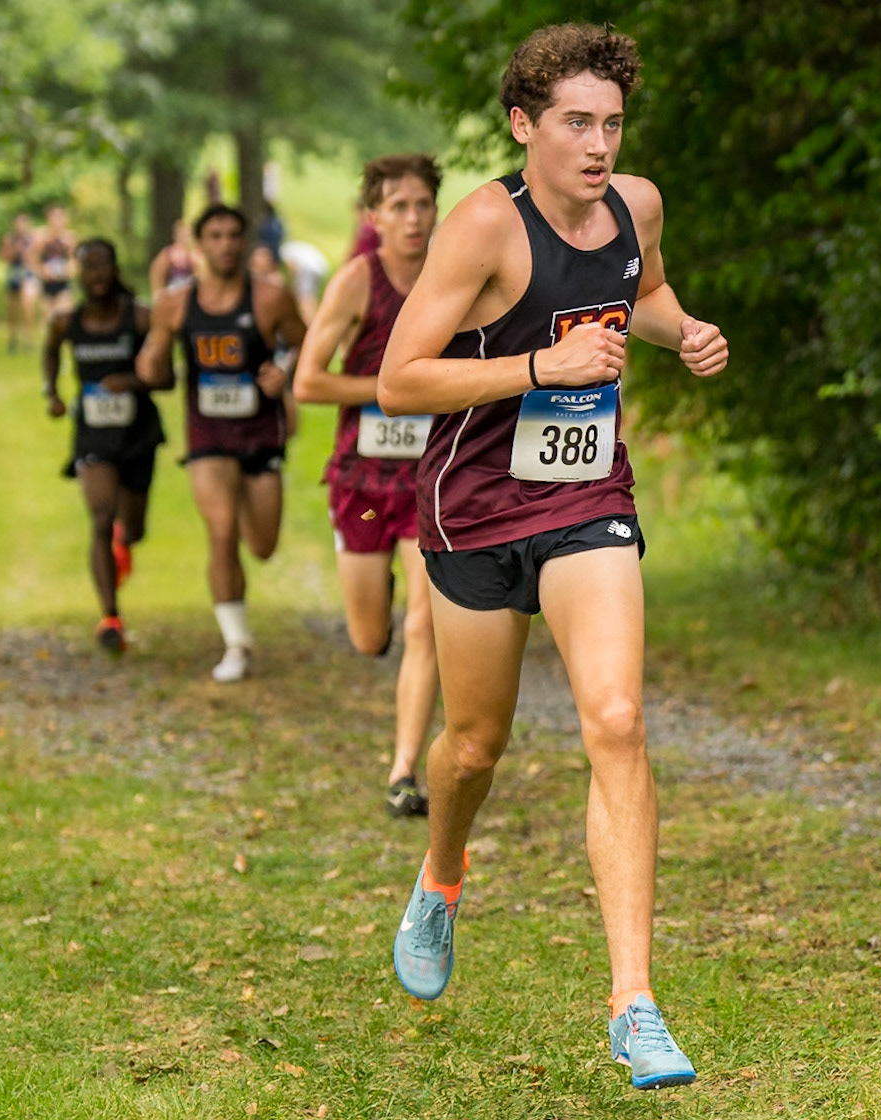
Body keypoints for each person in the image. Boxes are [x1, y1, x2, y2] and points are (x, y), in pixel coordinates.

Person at [379, 23, 728, 1090]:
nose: (599, 145)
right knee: (473, 746)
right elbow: (400, 379)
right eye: (577, 123)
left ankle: (633, 1004)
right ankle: (442, 875)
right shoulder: (485, 226)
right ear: (523, 125)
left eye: (612, 123)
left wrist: (682, 330)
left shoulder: (637, 205)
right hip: (475, 508)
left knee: (616, 720)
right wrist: (544, 364)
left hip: (585, 498)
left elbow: (641, 292)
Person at [294, 155, 442, 817]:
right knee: (368, 637)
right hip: (363, 483)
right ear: (374, 216)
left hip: (428, 478)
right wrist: (389, 391)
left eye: (423, 204)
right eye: (398, 207)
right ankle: (373, 595)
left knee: (425, 626)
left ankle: (403, 770)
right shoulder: (357, 282)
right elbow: (307, 381)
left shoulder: (451, 277)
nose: (413, 218)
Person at [136, 203, 307, 682]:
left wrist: (284, 371)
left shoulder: (270, 297)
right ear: (198, 245)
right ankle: (236, 643)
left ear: (245, 242)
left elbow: (307, 342)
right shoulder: (175, 303)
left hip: (259, 433)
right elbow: (156, 368)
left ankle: (246, 528)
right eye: (215, 236)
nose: (225, 244)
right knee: (221, 531)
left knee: (263, 545)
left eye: (234, 235)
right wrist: (151, 365)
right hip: (207, 435)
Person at [42, 239, 167, 652]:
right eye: (88, 266)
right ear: (78, 274)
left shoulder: (141, 318)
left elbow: (167, 377)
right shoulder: (66, 322)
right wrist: (52, 392)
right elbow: (50, 352)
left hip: (138, 434)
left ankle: (122, 542)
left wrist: (131, 382)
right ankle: (110, 617)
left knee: (134, 529)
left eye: (103, 265)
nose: (97, 274)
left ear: (115, 269)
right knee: (99, 517)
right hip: (93, 433)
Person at [0, 212, 39, 351]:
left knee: (27, 306)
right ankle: (13, 338)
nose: (21, 226)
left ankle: (28, 339)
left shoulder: (34, 239)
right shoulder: (9, 239)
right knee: (12, 310)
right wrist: (14, 251)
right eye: (18, 223)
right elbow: (2, 257)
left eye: (24, 223)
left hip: (28, 274)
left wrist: (31, 258)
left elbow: (38, 257)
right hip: (14, 274)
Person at [31, 204, 78, 319]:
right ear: (48, 218)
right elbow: (32, 258)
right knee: (49, 316)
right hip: (46, 281)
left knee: (65, 312)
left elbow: (74, 258)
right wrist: (41, 271)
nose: (57, 221)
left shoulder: (70, 237)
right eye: (54, 217)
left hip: (63, 280)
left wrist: (70, 269)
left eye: (60, 217)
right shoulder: (40, 236)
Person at [279, 240, 329, 324]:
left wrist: (293, 284)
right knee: (310, 297)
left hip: (308, 268)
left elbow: (292, 266)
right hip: (320, 268)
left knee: (305, 299)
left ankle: (309, 323)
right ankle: (314, 321)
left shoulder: (282, 251)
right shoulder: (291, 247)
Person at [149, 219, 199, 297]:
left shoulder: (192, 254)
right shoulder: (168, 253)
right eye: (182, 233)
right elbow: (157, 274)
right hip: (172, 291)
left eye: (187, 234)